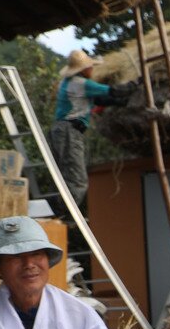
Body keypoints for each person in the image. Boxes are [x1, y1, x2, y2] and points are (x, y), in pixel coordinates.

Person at [49, 49, 134, 209]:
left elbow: (101, 99)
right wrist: (136, 84)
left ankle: (54, 211)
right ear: (84, 69)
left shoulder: (67, 83)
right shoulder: (81, 84)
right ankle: (65, 213)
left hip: (59, 130)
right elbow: (114, 91)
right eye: (90, 67)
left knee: (62, 175)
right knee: (78, 180)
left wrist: (120, 102)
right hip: (69, 132)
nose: (92, 70)